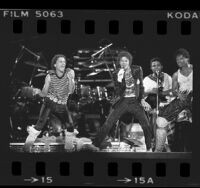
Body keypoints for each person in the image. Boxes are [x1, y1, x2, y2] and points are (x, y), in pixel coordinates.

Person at [92, 50, 153, 152]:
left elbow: (141, 86)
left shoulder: (137, 69)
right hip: (123, 101)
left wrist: (142, 99)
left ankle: (149, 148)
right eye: (121, 61)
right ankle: (95, 145)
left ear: (129, 61)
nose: (123, 63)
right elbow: (118, 91)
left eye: (125, 60)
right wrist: (120, 80)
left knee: (146, 124)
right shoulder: (117, 73)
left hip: (135, 101)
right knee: (108, 123)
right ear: (119, 62)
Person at [24, 54, 76, 152]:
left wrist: (71, 79)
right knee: (39, 125)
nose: (63, 63)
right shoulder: (49, 76)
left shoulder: (70, 72)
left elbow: (71, 91)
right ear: (55, 65)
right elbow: (44, 93)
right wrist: (37, 92)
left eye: (64, 61)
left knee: (70, 126)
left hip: (62, 105)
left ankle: (69, 148)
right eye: (60, 61)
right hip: (49, 103)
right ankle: (27, 146)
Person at [155, 48, 193, 152]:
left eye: (181, 58)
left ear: (187, 58)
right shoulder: (176, 75)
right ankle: (158, 150)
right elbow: (174, 90)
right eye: (177, 60)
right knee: (161, 120)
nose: (179, 61)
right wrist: (178, 93)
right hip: (182, 99)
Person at [143, 58, 172, 150]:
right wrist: (151, 90)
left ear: (162, 66)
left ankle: (167, 145)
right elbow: (142, 95)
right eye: (153, 65)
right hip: (153, 107)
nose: (156, 67)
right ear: (151, 68)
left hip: (166, 105)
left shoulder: (167, 77)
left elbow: (172, 91)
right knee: (154, 119)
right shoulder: (147, 79)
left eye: (158, 65)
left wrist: (163, 93)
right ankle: (155, 144)